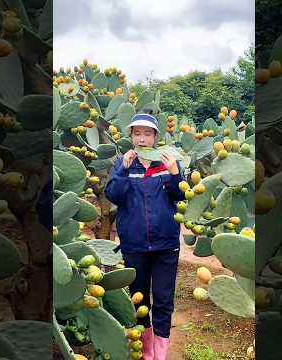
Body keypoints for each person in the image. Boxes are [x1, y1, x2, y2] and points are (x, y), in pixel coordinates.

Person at [105, 112, 185, 360]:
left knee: (163, 298)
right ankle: (146, 347)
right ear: (131, 136)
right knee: (139, 299)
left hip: (166, 243)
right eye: (137, 133)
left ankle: (160, 351)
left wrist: (174, 173)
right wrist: (123, 170)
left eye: (147, 133)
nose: (141, 139)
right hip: (135, 244)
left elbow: (180, 195)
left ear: (155, 137)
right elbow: (113, 196)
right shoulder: (122, 163)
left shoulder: (168, 162)